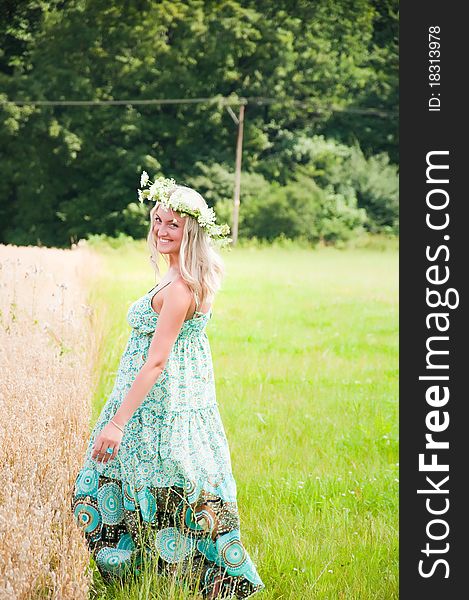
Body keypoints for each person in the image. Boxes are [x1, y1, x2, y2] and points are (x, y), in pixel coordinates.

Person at [71, 174, 264, 599]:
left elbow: (156, 361)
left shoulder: (179, 288)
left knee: (115, 471)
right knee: (166, 476)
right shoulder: (180, 277)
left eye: (173, 224)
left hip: (158, 402)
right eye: (158, 220)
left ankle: (206, 574)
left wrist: (118, 422)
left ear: (191, 231)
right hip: (175, 399)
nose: (161, 230)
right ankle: (146, 567)